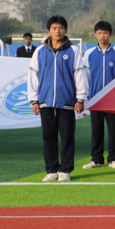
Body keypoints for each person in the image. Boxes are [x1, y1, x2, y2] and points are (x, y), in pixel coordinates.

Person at [27, 15, 88, 182]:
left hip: (67, 102)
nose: (58, 31)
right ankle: (52, 170)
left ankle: (65, 170)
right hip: (45, 101)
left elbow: (80, 75)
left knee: (68, 136)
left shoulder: (73, 51)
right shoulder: (39, 52)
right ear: (48, 31)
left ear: (66, 30)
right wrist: (34, 100)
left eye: (61, 28)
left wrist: (80, 98)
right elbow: (33, 75)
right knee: (48, 136)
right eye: (54, 28)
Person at [82, 21, 115, 170]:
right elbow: (85, 77)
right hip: (95, 99)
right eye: (100, 33)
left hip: (113, 100)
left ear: (111, 34)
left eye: (105, 33)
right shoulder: (88, 54)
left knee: (114, 130)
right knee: (96, 130)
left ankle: (113, 158)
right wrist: (85, 96)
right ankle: (97, 159)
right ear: (95, 34)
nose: (102, 35)